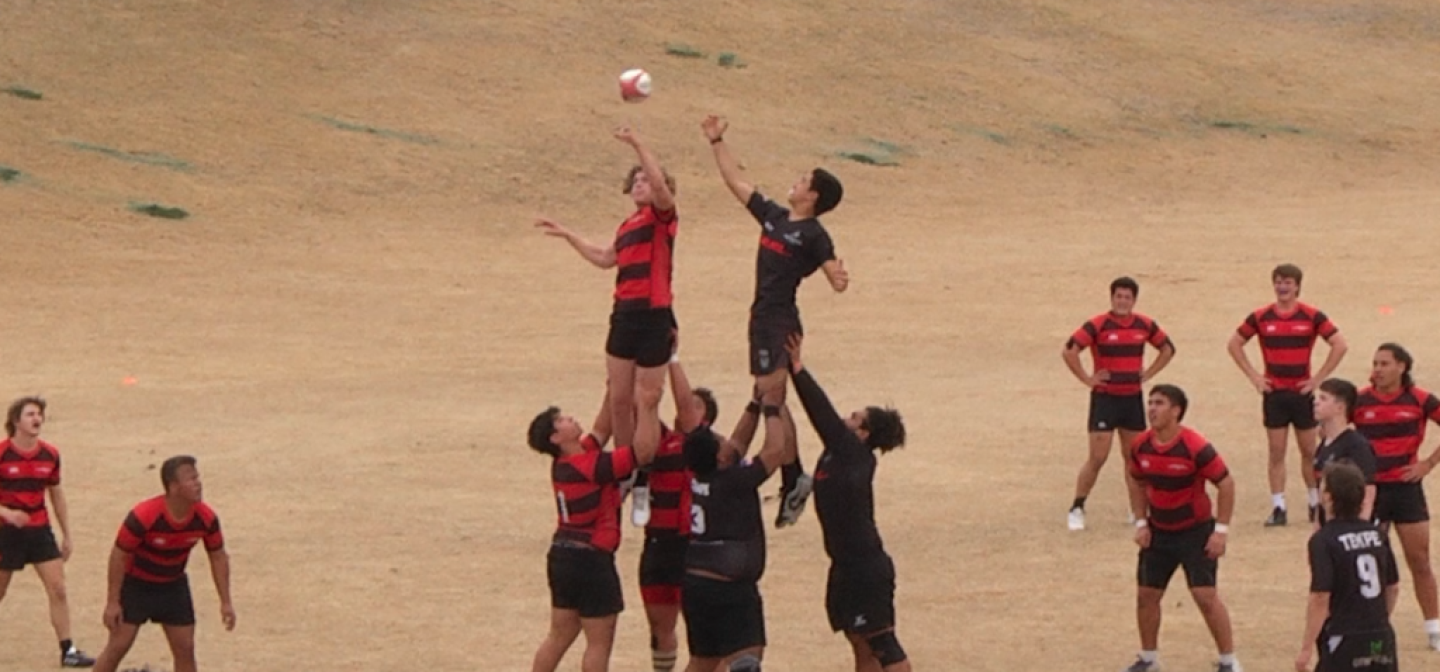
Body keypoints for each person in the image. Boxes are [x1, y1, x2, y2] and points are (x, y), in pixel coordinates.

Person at [702, 113, 848, 528]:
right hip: (761, 318)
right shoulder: (775, 217)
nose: (796, 182)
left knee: (771, 398)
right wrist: (717, 142)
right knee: (772, 399)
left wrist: (839, 277)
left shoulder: (814, 235)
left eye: (804, 180)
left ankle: (792, 476)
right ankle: (793, 477)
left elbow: (833, 274)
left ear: (813, 196)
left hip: (779, 321)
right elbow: (736, 183)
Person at [535, 126, 679, 457]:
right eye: (637, 180)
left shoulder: (662, 217)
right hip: (624, 313)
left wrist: (638, 143)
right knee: (619, 398)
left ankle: (643, 473)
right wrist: (569, 235)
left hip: (654, 313)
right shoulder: (628, 226)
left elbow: (659, 186)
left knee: (648, 399)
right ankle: (626, 465)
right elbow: (604, 258)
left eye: (646, 179)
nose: (641, 183)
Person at [785, 334, 911, 671]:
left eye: (854, 417)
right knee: (860, 645)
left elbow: (821, 414)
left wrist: (797, 370)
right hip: (843, 566)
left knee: (883, 645)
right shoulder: (836, 455)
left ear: (864, 434)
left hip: (866, 568)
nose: (845, 418)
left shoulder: (854, 454)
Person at [528, 375, 665, 672]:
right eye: (562, 419)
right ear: (555, 438)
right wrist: (648, 408)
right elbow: (643, 453)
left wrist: (615, 387)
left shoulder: (568, 463)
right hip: (591, 558)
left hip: (562, 556)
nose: (570, 418)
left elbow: (603, 427)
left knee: (559, 634)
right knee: (599, 642)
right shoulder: (590, 466)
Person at [639, 353, 762, 672]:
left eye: (694, 404)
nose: (684, 407)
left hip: (691, 550)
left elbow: (687, 409)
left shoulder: (705, 447)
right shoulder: (664, 439)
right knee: (671, 635)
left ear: (705, 416)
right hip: (659, 543)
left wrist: (670, 357)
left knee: (711, 649)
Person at [1123, 385, 1241, 672]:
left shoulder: (1195, 446)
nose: (1151, 408)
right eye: (1150, 402)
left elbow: (1225, 483)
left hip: (1194, 532)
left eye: (1159, 403)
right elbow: (1136, 480)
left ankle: (1229, 661)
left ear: (1176, 411)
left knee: (1205, 596)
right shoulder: (1140, 445)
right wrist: (1141, 522)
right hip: (1159, 532)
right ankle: (1148, 659)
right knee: (1146, 596)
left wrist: (1220, 531)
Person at [679, 390, 796, 672]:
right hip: (729, 587)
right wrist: (771, 407)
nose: (726, 440)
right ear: (719, 458)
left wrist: (753, 404)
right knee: (746, 661)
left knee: (702, 662)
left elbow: (738, 443)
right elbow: (775, 450)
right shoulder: (734, 481)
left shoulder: (702, 477)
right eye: (720, 442)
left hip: (695, 585)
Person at [1227, 263, 1347, 527]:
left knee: (1309, 451)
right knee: (1276, 451)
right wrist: (1254, 377)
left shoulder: (1311, 316)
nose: (1283, 287)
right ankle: (1278, 506)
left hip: (1301, 393)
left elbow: (1339, 344)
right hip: (1275, 394)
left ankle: (1314, 502)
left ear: (1297, 287)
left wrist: (1317, 379)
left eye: (1288, 282)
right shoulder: (1261, 317)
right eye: (1279, 281)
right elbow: (1234, 343)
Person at [92, 455, 235, 672]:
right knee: (118, 646)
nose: (198, 483)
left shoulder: (206, 518)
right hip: (136, 586)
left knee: (185, 649)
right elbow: (118, 555)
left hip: (173, 586)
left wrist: (225, 601)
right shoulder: (144, 515)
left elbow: (218, 556)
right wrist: (113, 601)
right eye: (191, 479)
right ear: (174, 487)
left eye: (198, 477)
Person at [1063, 277, 1176, 531]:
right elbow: (1070, 350)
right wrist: (1088, 379)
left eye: (1127, 297)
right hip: (1105, 399)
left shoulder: (1143, 324)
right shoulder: (1098, 325)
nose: (1122, 301)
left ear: (1133, 300)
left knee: (1133, 457)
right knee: (1098, 456)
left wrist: (1148, 374)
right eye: (1118, 296)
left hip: (1132, 399)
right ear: (1111, 298)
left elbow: (1167, 348)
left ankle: (1137, 511)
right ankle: (1077, 506)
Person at [1352, 342, 1440, 649]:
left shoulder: (1420, 400)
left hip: (1406, 490)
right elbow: (1335, 431)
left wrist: (1427, 464)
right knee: (1374, 563)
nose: (1377, 369)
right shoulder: (1359, 400)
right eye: (1375, 363)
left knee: (1419, 560)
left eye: (1384, 363)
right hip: (1371, 492)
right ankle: (1375, 628)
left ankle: (1434, 628)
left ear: (1402, 367)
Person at [0, 396, 96, 668]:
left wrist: (67, 534)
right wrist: (7, 513)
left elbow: (56, 494)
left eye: (39, 414)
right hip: (6, 533)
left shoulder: (50, 454)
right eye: (30, 414)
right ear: (16, 420)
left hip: (39, 531)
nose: (37, 419)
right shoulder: (2, 453)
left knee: (58, 589)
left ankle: (68, 650)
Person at [1295, 462, 1400, 672]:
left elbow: (1320, 597)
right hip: (1381, 636)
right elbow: (1393, 586)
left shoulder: (1323, 540)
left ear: (1328, 497)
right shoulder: (1378, 535)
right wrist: (1379, 619)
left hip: (1343, 637)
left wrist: (1306, 649)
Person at [1309, 379, 1377, 527]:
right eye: (1316, 398)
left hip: (1348, 528)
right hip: (1329, 528)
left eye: (1323, 398)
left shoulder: (1356, 445)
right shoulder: (1323, 446)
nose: (1316, 402)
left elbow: (1368, 491)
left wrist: (1360, 528)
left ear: (1340, 407)